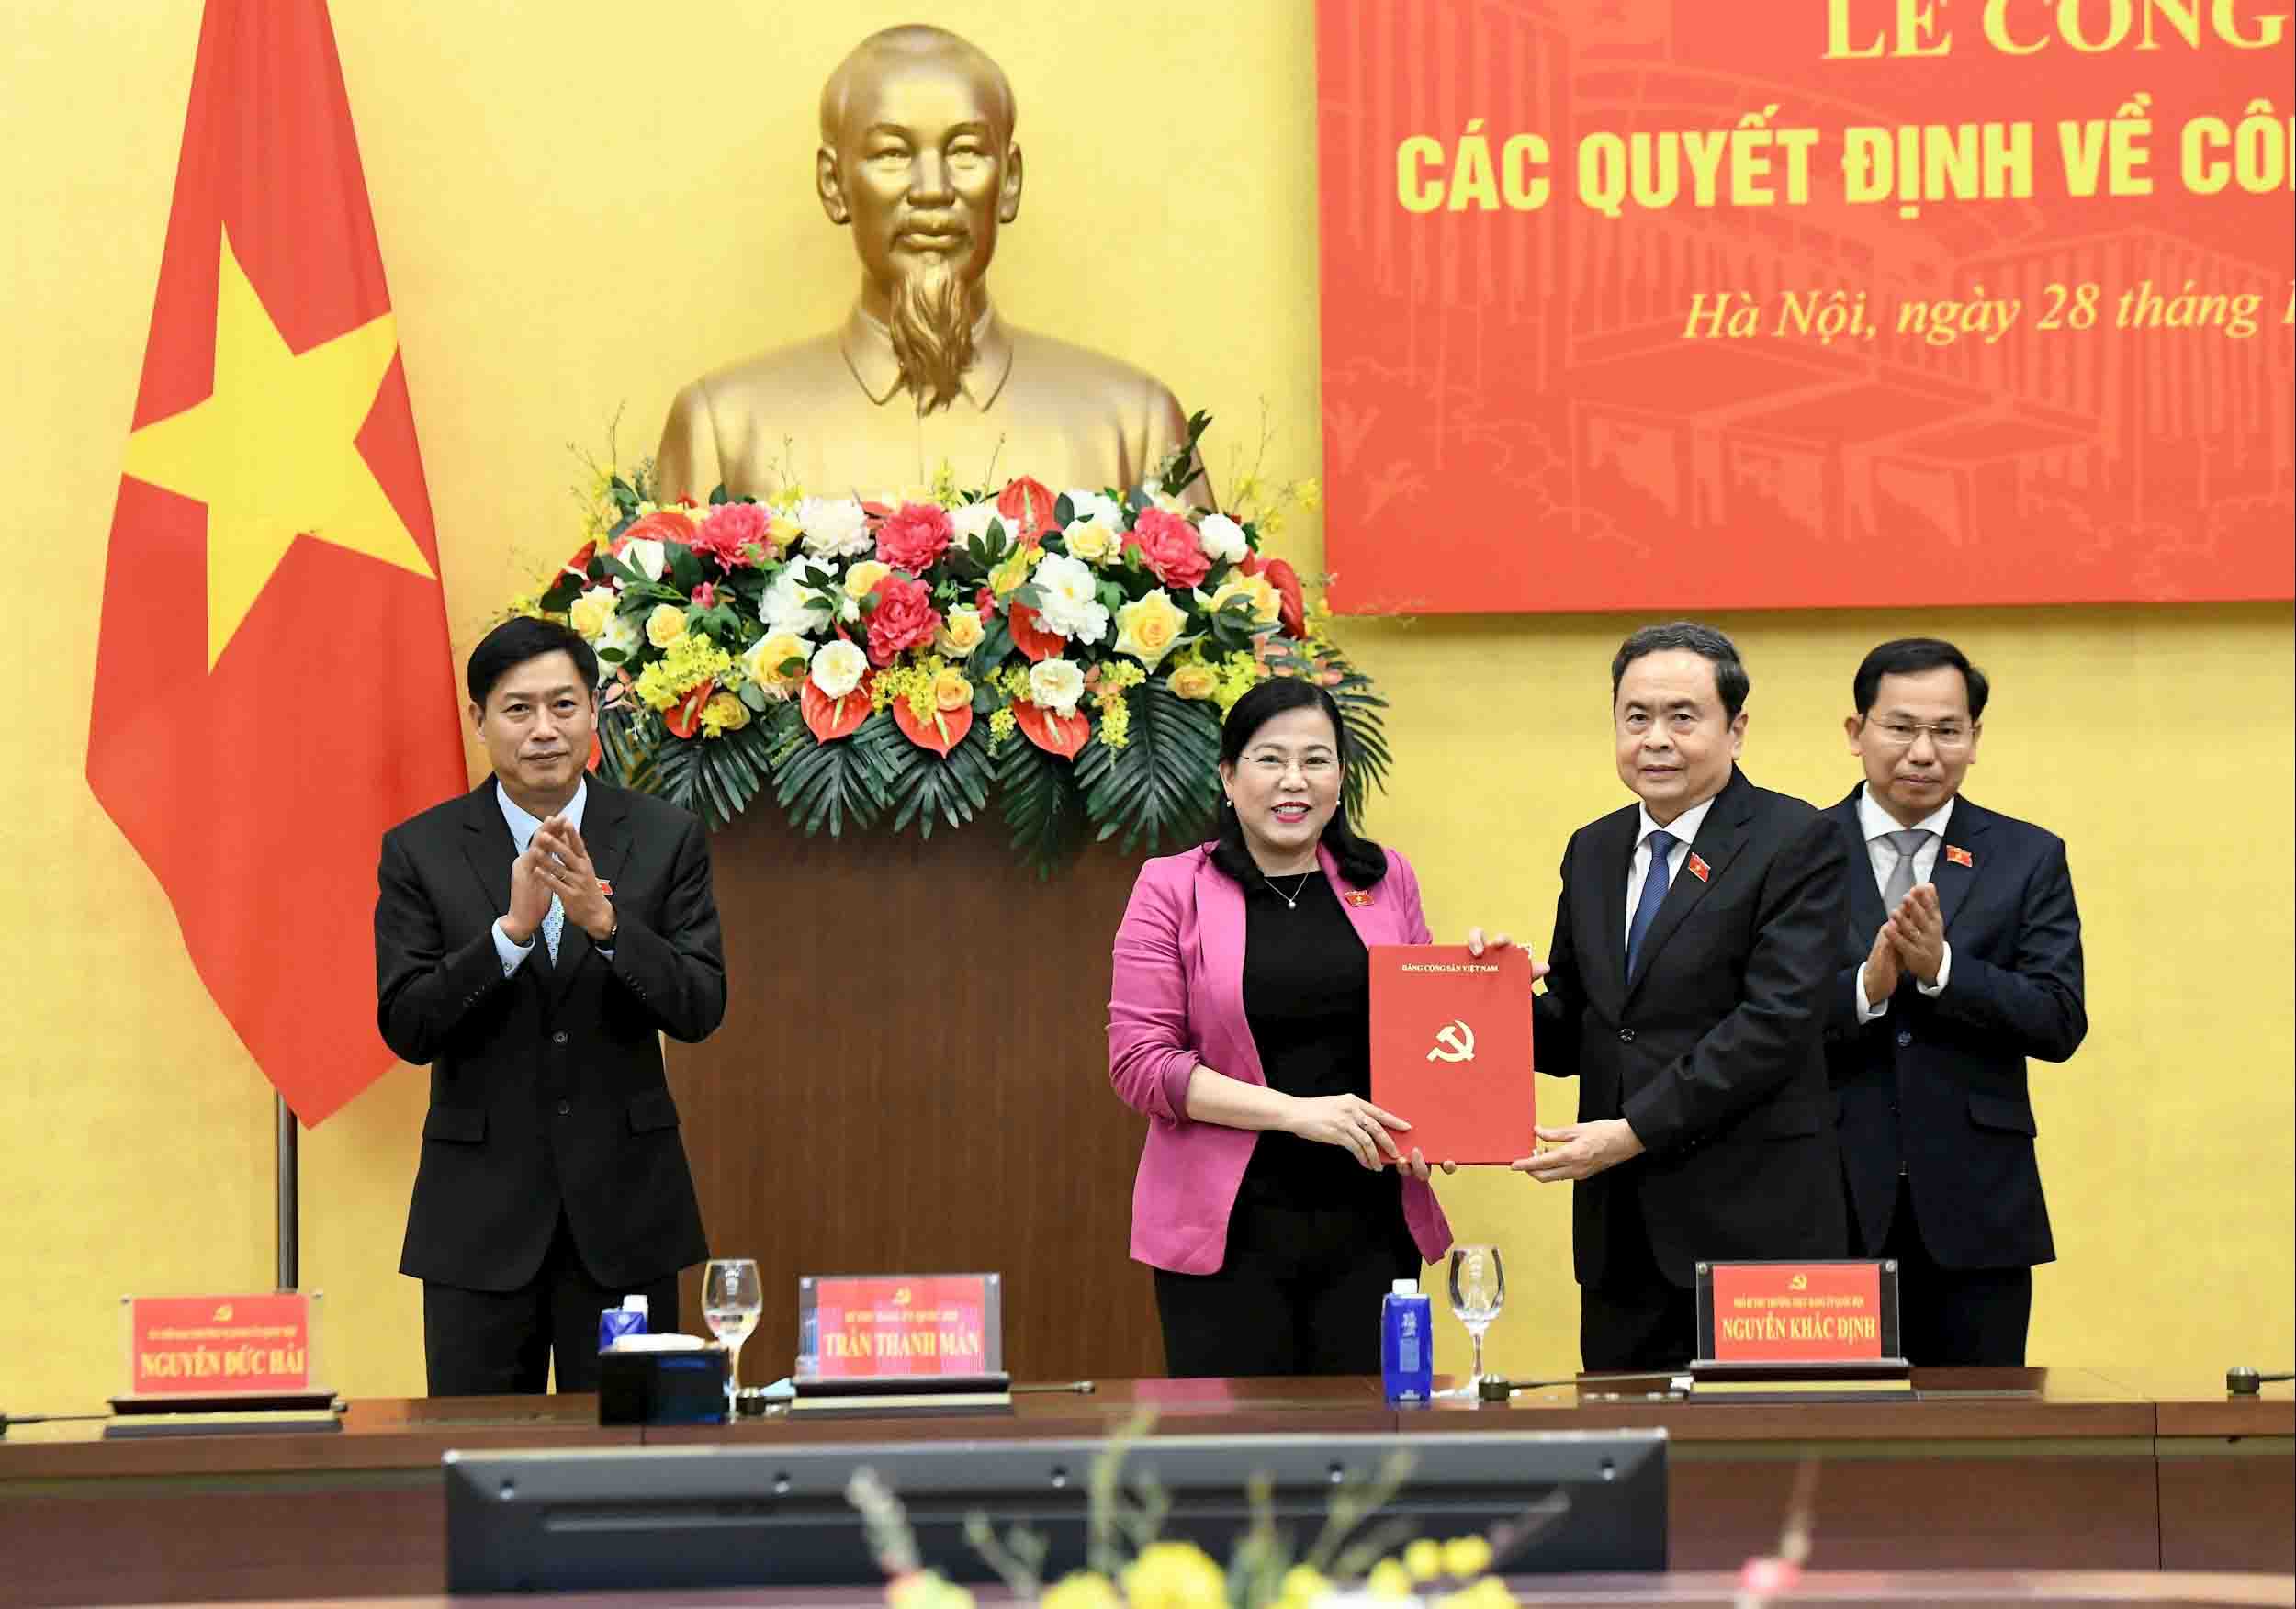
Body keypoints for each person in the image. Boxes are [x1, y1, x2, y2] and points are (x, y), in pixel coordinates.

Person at [376, 617, 726, 1395]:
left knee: (630, 1457)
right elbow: (408, 1023)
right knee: (480, 1456)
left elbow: (701, 1006)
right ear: (479, 721)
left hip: (627, 1215)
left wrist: (608, 929)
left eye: (564, 706)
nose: (544, 731)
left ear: (595, 711)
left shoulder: (666, 838)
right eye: (518, 709)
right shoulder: (420, 850)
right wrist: (508, 935)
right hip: (478, 1223)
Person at [1495, 621, 1849, 1372]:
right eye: (1636, 717)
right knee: (1629, 1467)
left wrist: (1632, 1130)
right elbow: (1581, 1029)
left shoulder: (1798, 839)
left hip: (1756, 1229)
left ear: (1736, 729)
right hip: (1620, 1234)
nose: (1656, 739)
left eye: (1682, 717)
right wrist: (1488, 994)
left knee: (1767, 1472)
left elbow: (1776, 1022)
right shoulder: (1592, 848)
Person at [655, 24, 1202, 502]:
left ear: (1008, 181)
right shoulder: (724, 430)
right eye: (891, 154)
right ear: (833, 183)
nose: (934, 191)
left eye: (965, 151)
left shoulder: (1134, 428)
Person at [1109, 678, 1461, 1377]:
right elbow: (1141, 1065)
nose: (1294, 781)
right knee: (1237, 1465)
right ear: (1229, 778)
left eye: (1317, 760)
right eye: (1270, 759)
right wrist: (1299, 1115)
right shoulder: (1170, 887)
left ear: (1340, 778)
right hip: (1227, 1231)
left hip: (1367, 1219)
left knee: (1367, 1458)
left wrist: (1485, 988)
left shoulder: (1386, 878)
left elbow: (1423, 1031)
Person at [1825, 637, 2085, 1365]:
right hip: (1829, 1197)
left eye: (1948, 730)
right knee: (1826, 1445)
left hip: (1979, 1210)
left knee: (1979, 1448)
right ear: (1857, 733)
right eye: (1900, 727)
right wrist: (1865, 990)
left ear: (1975, 740)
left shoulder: (2026, 855)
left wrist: (1941, 968)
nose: (1922, 751)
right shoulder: (1798, 850)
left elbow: (2060, 1018)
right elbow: (1759, 1020)